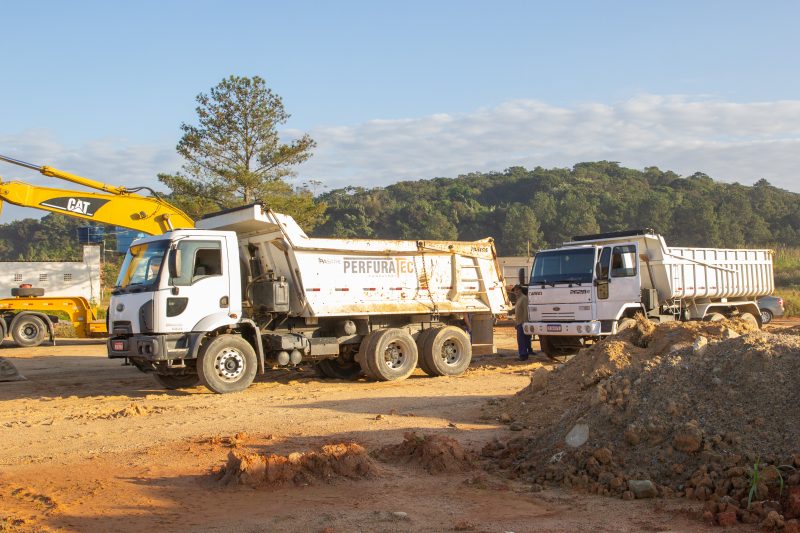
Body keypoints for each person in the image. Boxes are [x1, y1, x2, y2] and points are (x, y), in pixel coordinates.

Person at [512, 285, 533, 361]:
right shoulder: (519, 299)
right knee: (524, 339)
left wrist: (525, 323)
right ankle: (525, 353)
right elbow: (518, 312)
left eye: (517, 290)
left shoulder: (524, 298)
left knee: (521, 340)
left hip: (523, 323)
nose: (516, 292)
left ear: (520, 290)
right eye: (515, 290)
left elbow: (526, 311)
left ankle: (523, 355)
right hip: (519, 322)